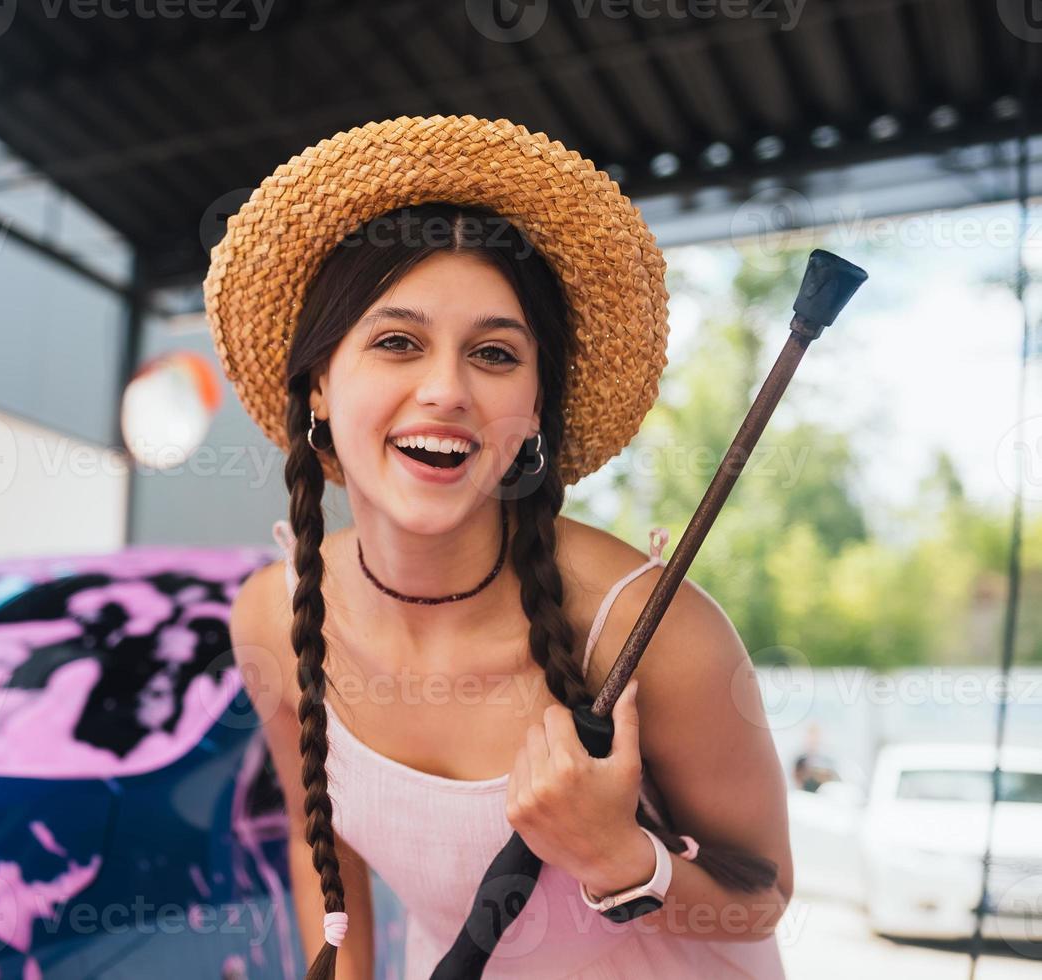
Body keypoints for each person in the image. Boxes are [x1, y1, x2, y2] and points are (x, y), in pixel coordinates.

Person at [211, 116, 791, 979]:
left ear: (532, 414)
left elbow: (761, 901)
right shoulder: (271, 614)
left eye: (492, 353)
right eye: (397, 342)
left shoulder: (647, 626)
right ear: (321, 385)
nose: (444, 390)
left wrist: (620, 857)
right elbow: (320, 842)